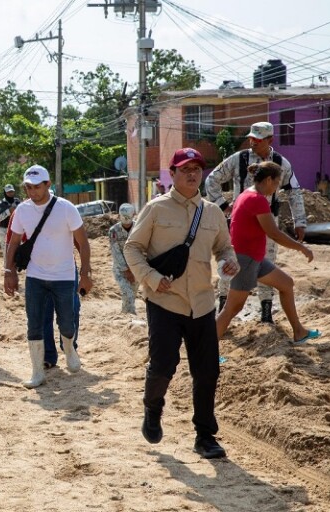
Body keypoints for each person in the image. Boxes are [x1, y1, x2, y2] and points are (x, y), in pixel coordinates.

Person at [124, 148, 239, 459]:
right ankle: (152, 407)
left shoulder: (213, 212)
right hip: (165, 301)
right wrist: (149, 277)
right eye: (184, 168)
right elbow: (132, 247)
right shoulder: (156, 209)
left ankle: (205, 436)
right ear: (171, 174)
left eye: (197, 169)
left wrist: (229, 262)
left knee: (207, 371)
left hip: (202, 302)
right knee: (163, 365)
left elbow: (224, 248)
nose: (192, 174)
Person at [206, 121, 307, 322]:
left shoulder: (281, 163)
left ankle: (266, 313)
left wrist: (300, 221)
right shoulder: (239, 159)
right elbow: (211, 179)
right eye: (251, 138)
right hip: (240, 224)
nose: (252, 143)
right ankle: (223, 308)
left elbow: (294, 191)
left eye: (258, 140)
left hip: (267, 222)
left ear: (270, 140)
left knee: (267, 263)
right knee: (230, 263)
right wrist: (223, 205)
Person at [4, 165, 93, 388]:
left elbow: (83, 242)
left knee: (67, 320)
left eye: (36, 187)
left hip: (64, 276)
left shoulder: (66, 208)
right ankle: (37, 372)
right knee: (33, 322)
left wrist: (85, 273)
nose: (32, 192)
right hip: (35, 275)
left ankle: (69, 348)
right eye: (28, 187)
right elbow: (13, 243)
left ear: (47, 185)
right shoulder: (22, 210)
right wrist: (9, 272)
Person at [216, 161, 319, 344]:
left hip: (254, 259)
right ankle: (206, 351)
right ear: (269, 179)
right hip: (245, 260)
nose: (277, 188)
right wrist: (301, 247)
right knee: (233, 308)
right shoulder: (257, 200)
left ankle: (299, 332)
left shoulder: (246, 194)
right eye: (277, 183)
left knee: (286, 284)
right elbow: (274, 233)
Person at [108, 203, 139, 314]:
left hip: (136, 268)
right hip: (120, 269)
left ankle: (125, 315)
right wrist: (127, 270)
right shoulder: (114, 231)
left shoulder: (139, 228)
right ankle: (130, 316)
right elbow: (116, 252)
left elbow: (142, 248)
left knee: (132, 295)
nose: (126, 219)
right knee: (127, 292)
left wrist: (135, 268)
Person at [0, 184, 21, 259]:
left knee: (16, 249)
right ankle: (7, 268)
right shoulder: (0, 204)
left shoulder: (18, 202)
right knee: (5, 250)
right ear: (5, 193)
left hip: (16, 229)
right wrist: (8, 211)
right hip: (4, 230)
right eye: (8, 192)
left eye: (12, 192)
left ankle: (14, 268)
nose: (10, 194)